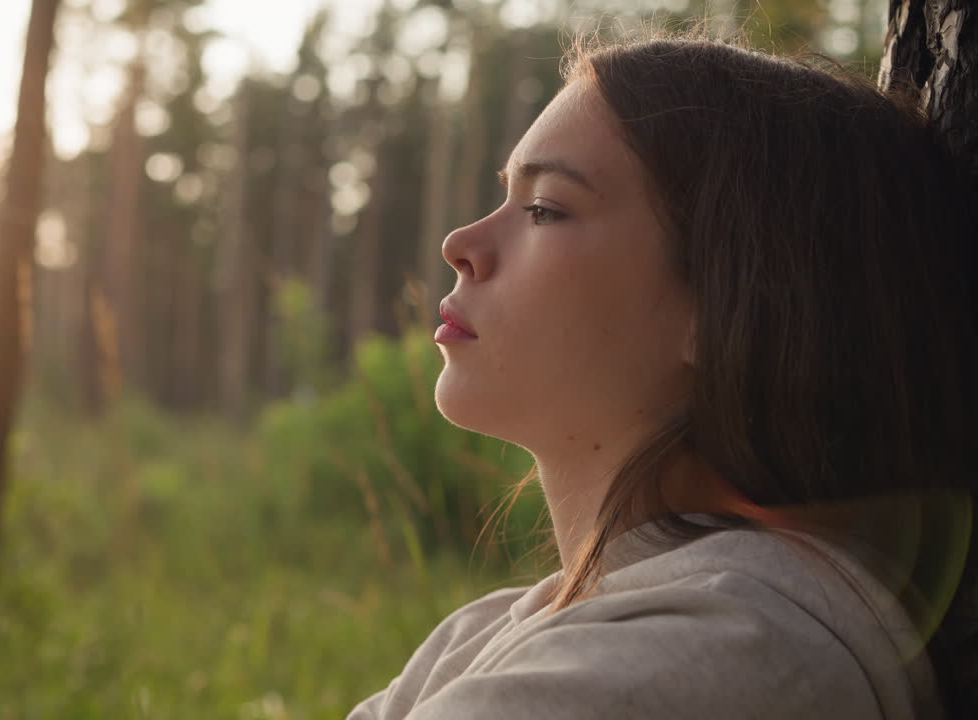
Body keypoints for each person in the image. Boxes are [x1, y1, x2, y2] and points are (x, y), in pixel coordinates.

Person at [347, 33, 978, 720]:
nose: (459, 245)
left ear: (728, 304)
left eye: (544, 209)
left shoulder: (725, 648)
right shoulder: (486, 634)